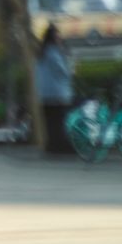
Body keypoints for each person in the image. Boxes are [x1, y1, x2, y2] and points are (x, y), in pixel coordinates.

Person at [37, 25, 75, 156]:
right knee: (60, 121)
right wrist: (71, 66)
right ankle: (61, 145)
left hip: (44, 94)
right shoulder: (54, 52)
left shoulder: (42, 52)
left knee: (50, 122)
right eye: (58, 35)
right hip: (58, 93)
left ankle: (52, 145)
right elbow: (63, 71)